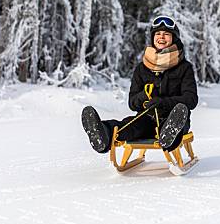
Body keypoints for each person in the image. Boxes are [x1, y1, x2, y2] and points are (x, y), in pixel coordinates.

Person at [81, 15, 198, 153]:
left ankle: (168, 133)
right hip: (147, 118)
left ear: (174, 38)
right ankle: (103, 135)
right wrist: (144, 96)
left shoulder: (184, 67)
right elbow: (132, 103)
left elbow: (191, 100)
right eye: (158, 34)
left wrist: (163, 102)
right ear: (153, 38)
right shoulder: (142, 68)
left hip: (173, 117)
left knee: (175, 121)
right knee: (128, 126)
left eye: (166, 34)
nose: (161, 37)